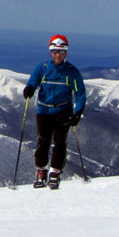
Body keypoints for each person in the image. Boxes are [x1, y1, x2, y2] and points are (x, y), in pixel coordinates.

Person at [22, 34, 87, 189]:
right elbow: (33, 82)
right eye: (55, 51)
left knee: (60, 143)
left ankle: (55, 172)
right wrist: (29, 89)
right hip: (43, 111)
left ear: (66, 53)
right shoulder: (42, 68)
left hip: (63, 111)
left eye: (61, 52)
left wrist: (77, 112)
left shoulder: (72, 72)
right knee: (43, 141)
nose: (58, 55)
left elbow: (80, 94)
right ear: (50, 52)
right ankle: (41, 171)